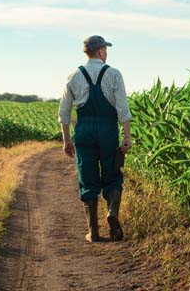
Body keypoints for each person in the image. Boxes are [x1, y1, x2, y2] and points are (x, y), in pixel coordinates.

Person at [58, 35, 132, 242]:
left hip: (84, 130)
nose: (106, 53)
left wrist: (66, 140)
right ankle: (112, 212)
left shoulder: (73, 75)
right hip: (108, 130)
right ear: (100, 51)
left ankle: (94, 232)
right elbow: (123, 109)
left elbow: (64, 112)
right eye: (105, 49)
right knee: (113, 174)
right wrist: (127, 136)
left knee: (87, 178)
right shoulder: (114, 74)